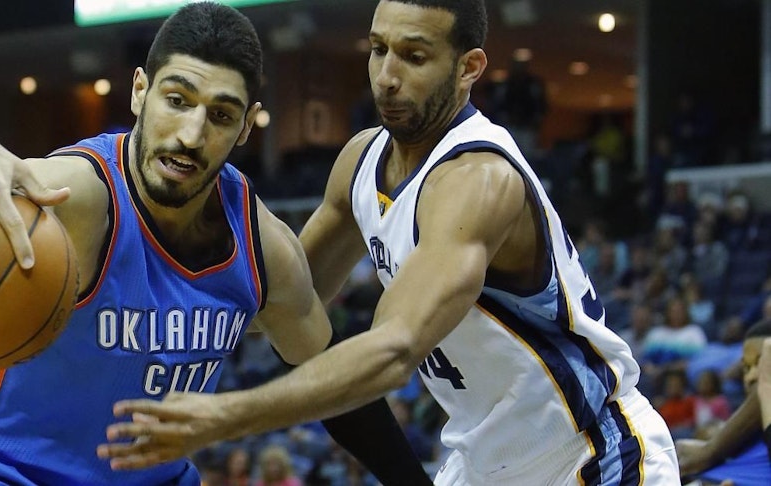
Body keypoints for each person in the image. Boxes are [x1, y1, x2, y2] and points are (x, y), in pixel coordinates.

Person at [99, 1, 681, 484]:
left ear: (469, 66)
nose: (387, 75)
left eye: (414, 56)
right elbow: (276, 307)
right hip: (484, 465)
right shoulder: (360, 161)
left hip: (588, 454)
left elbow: (392, 351)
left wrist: (225, 416)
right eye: (378, 49)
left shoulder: (478, 180)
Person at [0, 3, 432, 485]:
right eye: (176, 100)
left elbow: (340, 395)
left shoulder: (264, 249)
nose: (191, 134)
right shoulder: (79, 196)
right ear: (139, 91)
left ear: (247, 126)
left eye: (220, 115)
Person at [677, 322, 771, 485]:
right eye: (746, 368)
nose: (751, 377)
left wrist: (710, 450)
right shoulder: (742, 439)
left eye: (763, 364)